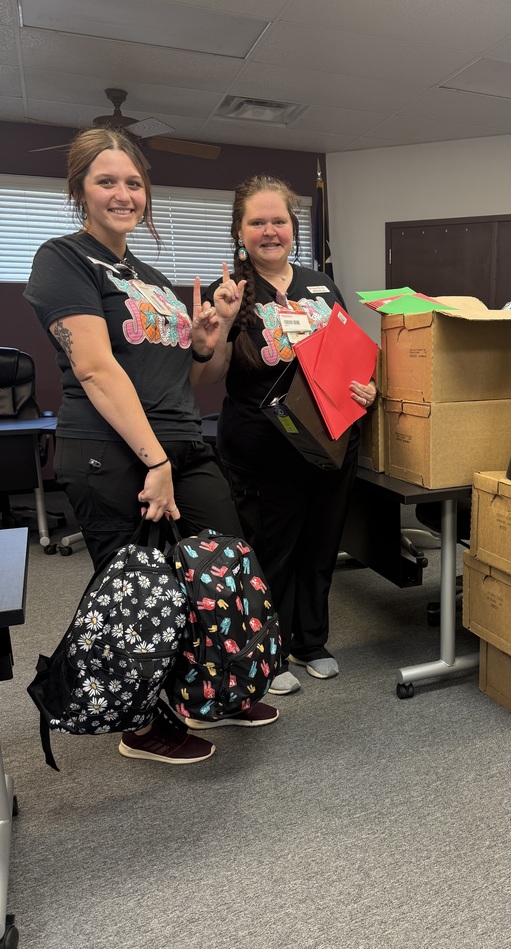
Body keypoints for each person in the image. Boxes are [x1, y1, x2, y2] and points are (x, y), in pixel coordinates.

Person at [24, 128, 279, 763]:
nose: (123, 193)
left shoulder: (150, 275)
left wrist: (206, 337)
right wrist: (155, 462)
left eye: (133, 182)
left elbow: (191, 378)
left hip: (182, 444)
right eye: (106, 181)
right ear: (79, 189)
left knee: (222, 569)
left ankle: (210, 689)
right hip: (112, 452)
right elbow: (95, 369)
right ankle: (140, 724)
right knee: (141, 593)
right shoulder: (63, 259)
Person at [204, 175, 377, 695]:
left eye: (278, 220)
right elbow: (210, 376)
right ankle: (269, 651)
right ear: (240, 231)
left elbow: (348, 354)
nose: (269, 231)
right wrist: (223, 327)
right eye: (257, 222)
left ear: (293, 227)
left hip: (328, 442)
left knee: (321, 545)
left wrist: (364, 388)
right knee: (271, 552)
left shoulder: (320, 284)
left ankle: (311, 641)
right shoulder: (229, 292)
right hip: (263, 448)